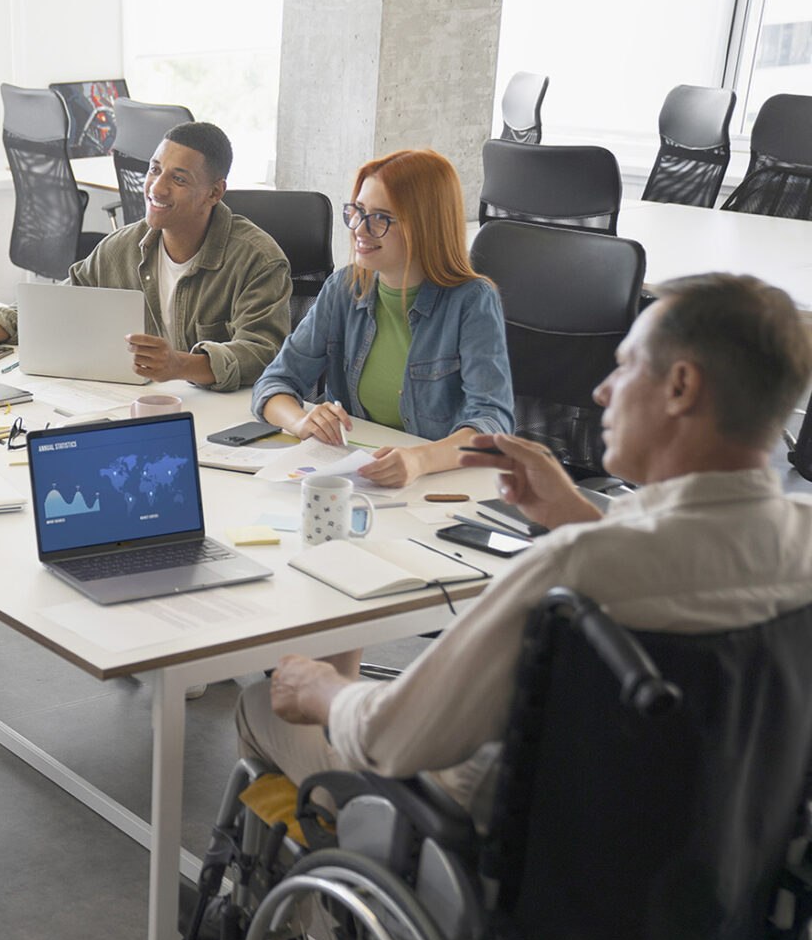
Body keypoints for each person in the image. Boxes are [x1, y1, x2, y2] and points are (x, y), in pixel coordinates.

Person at [236, 273, 812, 826]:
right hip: (706, 860)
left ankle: (308, 912)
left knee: (264, 703)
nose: (602, 391)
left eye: (626, 367)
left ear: (681, 386)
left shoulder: (573, 574)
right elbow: (680, 566)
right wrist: (578, 519)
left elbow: (391, 736)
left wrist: (319, 688)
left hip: (487, 841)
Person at [0, 121, 292, 392]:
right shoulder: (123, 246)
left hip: (225, 419)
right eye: (154, 170)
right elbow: (56, 303)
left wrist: (179, 364)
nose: (157, 187)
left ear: (214, 193)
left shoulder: (258, 259)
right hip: (143, 406)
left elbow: (263, 352)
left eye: (178, 180)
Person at [251, 148, 514, 489]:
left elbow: (493, 423)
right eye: (357, 212)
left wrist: (420, 459)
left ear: (424, 226)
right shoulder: (343, 289)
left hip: (440, 487)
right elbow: (273, 383)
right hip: (356, 480)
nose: (360, 229)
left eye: (380, 218)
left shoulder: (472, 302)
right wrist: (303, 422)